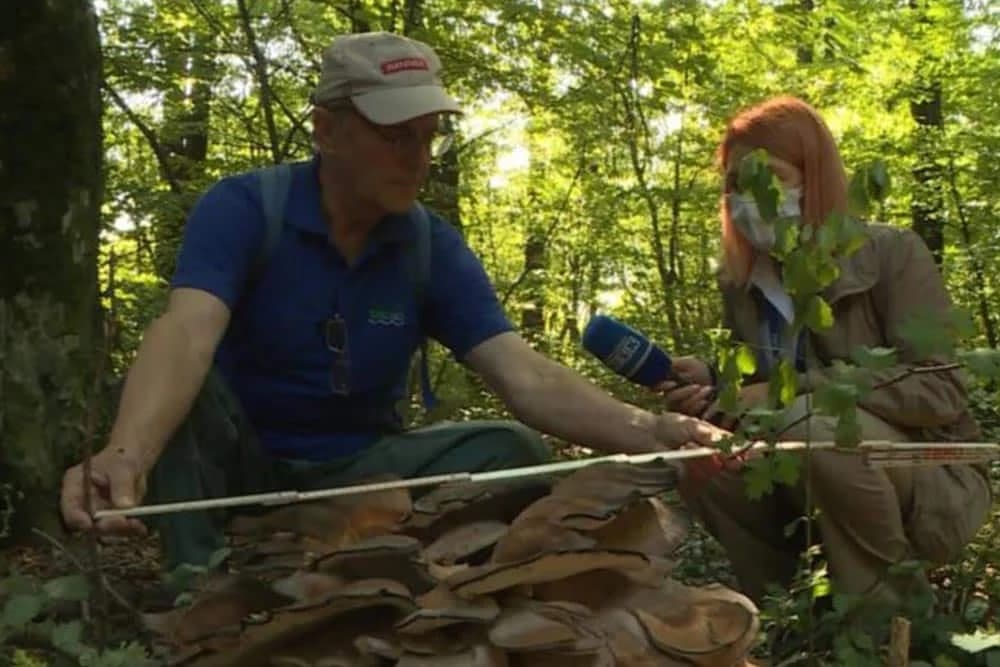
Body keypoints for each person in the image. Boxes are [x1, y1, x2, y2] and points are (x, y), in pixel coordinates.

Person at [59, 32, 724, 569]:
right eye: (395, 135)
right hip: (239, 461)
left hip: (361, 467)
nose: (418, 156)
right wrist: (126, 454)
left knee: (509, 446)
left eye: (428, 135)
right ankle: (201, 582)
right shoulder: (244, 209)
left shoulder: (429, 247)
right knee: (185, 390)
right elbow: (186, 333)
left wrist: (653, 430)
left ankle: (388, 559)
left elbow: (523, 375)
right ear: (326, 131)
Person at [660, 95, 992, 609]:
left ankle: (885, 622)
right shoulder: (741, 286)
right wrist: (715, 383)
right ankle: (790, 616)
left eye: (769, 177)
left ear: (813, 177)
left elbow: (941, 388)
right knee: (697, 452)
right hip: (799, 465)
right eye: (734, 184)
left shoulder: (891, 254)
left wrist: (793, 391)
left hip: (931, 470)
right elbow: (769, 377)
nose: (750, 198)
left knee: (812, 422)